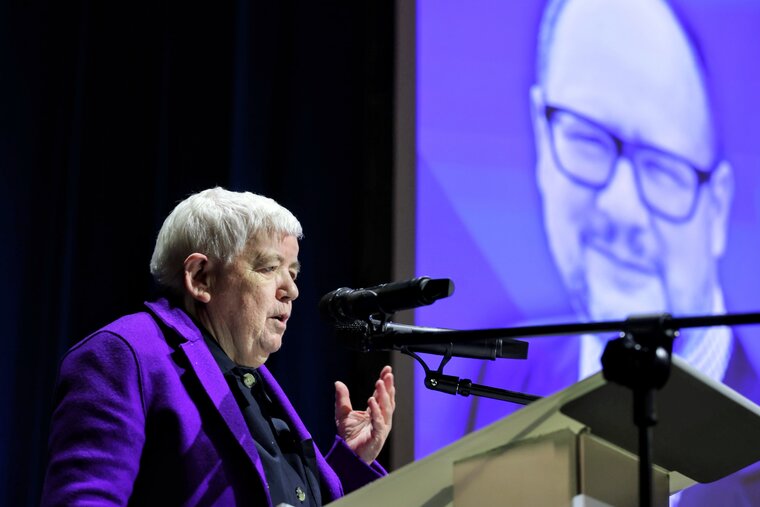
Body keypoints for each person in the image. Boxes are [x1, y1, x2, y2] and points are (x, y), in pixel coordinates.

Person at [421, 0, 760, 505]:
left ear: (717, 207)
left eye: (662, 168)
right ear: (542, 137)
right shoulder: (499, 383)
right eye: (587, 139)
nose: (621, 208)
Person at [40, 187, 395, 506]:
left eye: (293, 272)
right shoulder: (123, 354)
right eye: (270, 267)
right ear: (201, 278)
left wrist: (349, 464)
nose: (291, 290)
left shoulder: (250, 377)